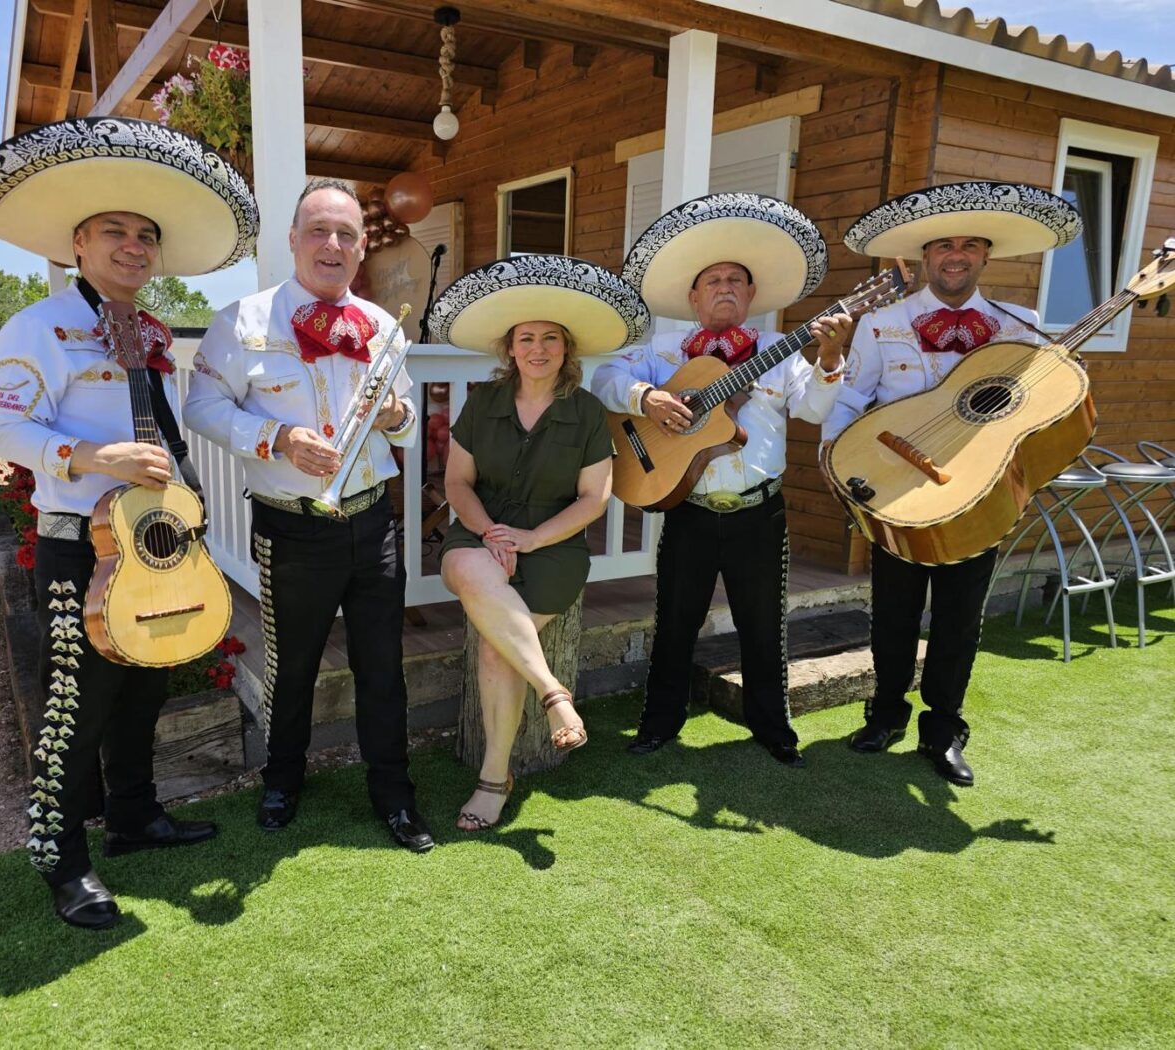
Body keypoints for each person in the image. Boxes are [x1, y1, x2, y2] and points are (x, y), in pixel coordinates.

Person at [0, 116, 259, 928]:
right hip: (75, 547)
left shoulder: (151, 332)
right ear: (80, 244)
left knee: (145, 687)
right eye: (114, 233)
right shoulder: (38, 327)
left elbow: (161, 431)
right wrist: (99, 457)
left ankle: (134, 819)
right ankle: (62, 863)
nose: (133, 247)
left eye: (145, 237)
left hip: (152, 544)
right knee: (77, 704)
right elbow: (8, 432)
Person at [183, 179, 433, 852]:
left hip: (372, 521)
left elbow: (408, 423)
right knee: (292, 664)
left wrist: (396, 415)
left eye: (346, 234)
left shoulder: (382, 327)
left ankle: (393, 792)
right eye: (319, 230)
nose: (333, 244)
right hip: (291, 526)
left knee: (382, 664)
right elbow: (202, 409)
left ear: (359, 250)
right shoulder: (243, 321)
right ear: (292, 240)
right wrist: (277, 440)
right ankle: (282, 777)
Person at [821, 181, 1082, 786]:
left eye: (969, 245)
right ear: (923, 257)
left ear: (986, 256)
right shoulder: (883, 323)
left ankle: (942, 732)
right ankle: (885, 715)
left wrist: (1066, 382)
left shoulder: (1022, 326)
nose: (956, 255)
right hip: (895, 487)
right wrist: (834, 459)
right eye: (943, 245)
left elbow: (1037, 407)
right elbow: (851, 399)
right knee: (891, 614)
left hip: (976, 495)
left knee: (960, 620)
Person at [595, 193, 853, 767]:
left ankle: (772, 727)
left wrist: (831, 359)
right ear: (694, 296)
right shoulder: (662, 351)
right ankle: (660, 723)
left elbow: (813, 409)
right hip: (690, 506)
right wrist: (649, 397)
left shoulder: (778, 353)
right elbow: (605, 378)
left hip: (759, 512)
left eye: (736, 279)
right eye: (713, 280)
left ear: (752, 295)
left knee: (763, 624)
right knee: (675, 622)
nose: (725, 287)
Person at [427, 254, 647, 829]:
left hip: (554, 546)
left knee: (500, 646)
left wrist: (528, 539)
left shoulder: (588, 412)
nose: (539, 348)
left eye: (551, 338)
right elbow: (456, 483)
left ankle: (494, 779)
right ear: (510, 347)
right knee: (474, 571)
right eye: (527, 337)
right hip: (479, 533)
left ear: (566, 349)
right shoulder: (483, 403)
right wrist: (490, 532)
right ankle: (554, 692)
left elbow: (593, 499)